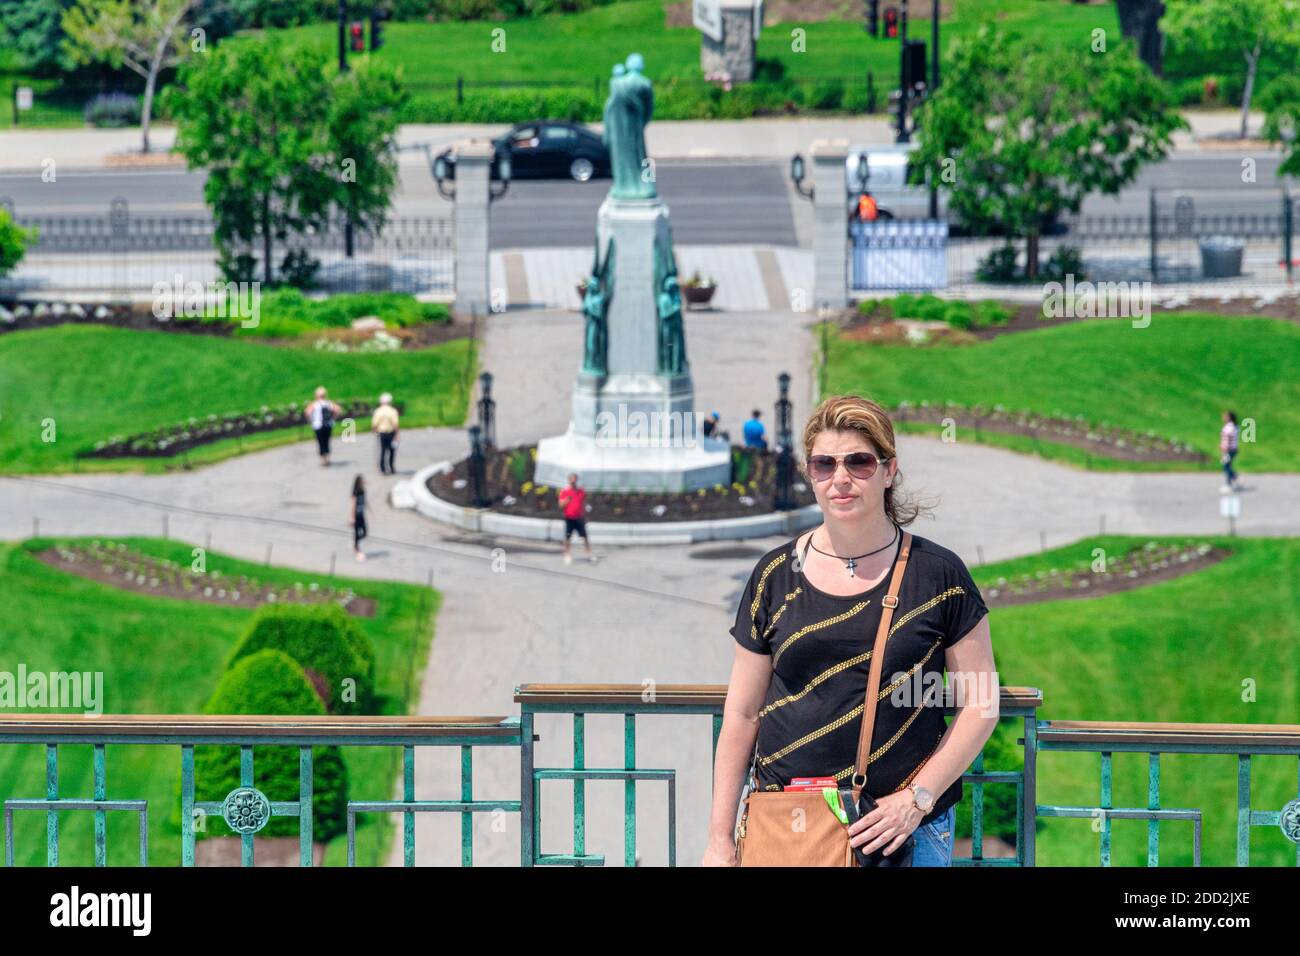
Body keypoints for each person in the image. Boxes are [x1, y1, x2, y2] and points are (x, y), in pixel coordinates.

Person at [703, 394, 998, 868]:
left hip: (900, 830)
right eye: (824, 464)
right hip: (788, 826)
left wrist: (917, 799)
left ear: (888, 470)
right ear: (810, 475)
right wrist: (719, 841)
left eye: (859, 462)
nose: (840, 478)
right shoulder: (775, 575)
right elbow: (741, 714)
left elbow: (980, 703)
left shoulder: (939, 575)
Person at [558, 472, 594, 565]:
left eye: (575, 480)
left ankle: (589, 554)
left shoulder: (581, 491)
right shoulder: (564, 491)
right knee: (567, 537)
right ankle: (567, 555)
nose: (573, 482)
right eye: (572, 481)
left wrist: (586, 516)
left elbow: (584, 504)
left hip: (579, 518)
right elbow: (560, 505)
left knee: (585, 537)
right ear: (569, 481)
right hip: (569, 518)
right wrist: (567, 500)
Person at [305, 387, 343, 467]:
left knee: (320, 442)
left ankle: (323, 459)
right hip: (328, 425)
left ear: (316, 395)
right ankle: (328, 458)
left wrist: (311, 421)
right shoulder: (329, 403)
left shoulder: (315, 404)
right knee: (327, 441)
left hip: (318, 425)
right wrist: (333, 418)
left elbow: (307, 412)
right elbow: (338, 410)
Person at [371, 392, 400, 475]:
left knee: (383, 450)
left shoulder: (378, 411)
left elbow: (374, 424)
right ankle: (391, 466)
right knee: (392, 450)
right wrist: (397, 434)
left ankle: (382, 468)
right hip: (391, 432)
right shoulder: (392, 411)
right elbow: (395, 424)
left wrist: (375, 431)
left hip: (382, 433)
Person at [1220, 410, 1240, 493]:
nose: (1223, 417)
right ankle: (1232, 478)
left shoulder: (1229, 427)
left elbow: (1228, 438)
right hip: (1233, 449)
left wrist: (1225, 448)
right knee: (1227, 466)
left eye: (1225, 416)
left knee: (1225, 466)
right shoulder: (1235, 426)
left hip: (1228, 450)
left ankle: (1230, 482)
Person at [350, 474, 369, 561]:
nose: (363, 481)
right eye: (362, 480)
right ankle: (357, 549)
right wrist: (352, 517)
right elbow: (353, 505)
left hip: (361, 514)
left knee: (365, 532)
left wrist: (370, 509)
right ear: (358, 482)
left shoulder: (363, 490)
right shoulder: (355, 492)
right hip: (356, 515)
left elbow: (364, 501)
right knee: (357, 533)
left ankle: (355, 543)